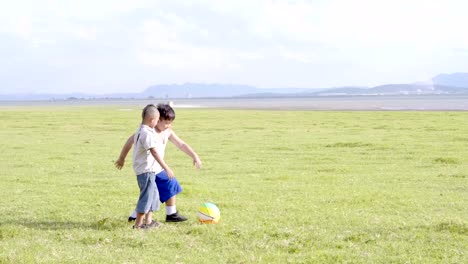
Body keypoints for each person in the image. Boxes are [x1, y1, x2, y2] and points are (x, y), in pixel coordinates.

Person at [115, 103, 202, 222]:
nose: (168, 125)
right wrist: (121, 158)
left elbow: (181, 144)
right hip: (149, 169)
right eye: (166, 122)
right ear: (157, 119)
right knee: (149, 193)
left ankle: (171, 214)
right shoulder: (148, 132)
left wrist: (194, 156)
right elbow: (130, 141)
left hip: (158, 168)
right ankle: (136, 216)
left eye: (170, 122)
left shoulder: (168, 131)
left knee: (170, 184)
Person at [131, 104, 169, 229]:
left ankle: (149, 222)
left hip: (149, 170)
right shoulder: (145, 133)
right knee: (146, 196)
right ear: (152, 120)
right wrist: (166, 167)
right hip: (145, 170)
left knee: (153, 195)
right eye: (157, 120)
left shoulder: (141, 130)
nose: (158, 123)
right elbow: (153, 151)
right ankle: (138, 224)